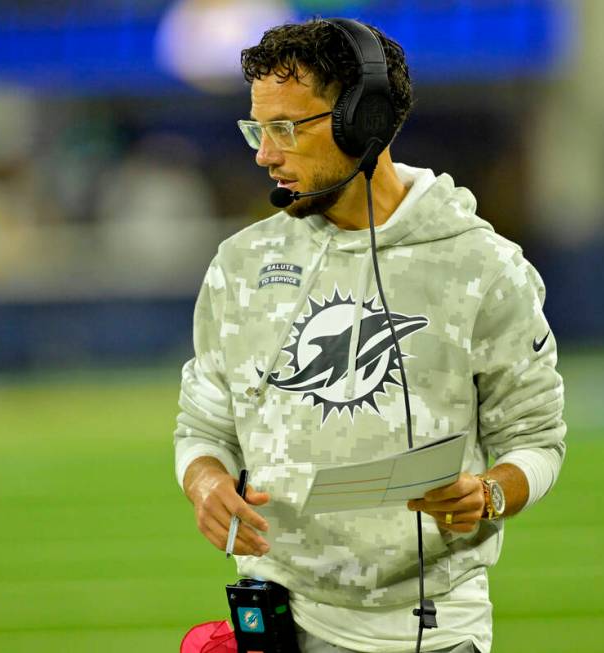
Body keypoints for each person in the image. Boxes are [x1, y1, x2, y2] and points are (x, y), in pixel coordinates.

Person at [174, 18, 565, 653]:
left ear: (364, 121)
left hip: (429, 633)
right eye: (257, 128)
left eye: (285, 129)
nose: (263, 155)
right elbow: (202, 428)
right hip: (274, 620)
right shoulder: (240, 263)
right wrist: (206, 483)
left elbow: (538, 440)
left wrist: (488, 496)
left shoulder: (482, 267)